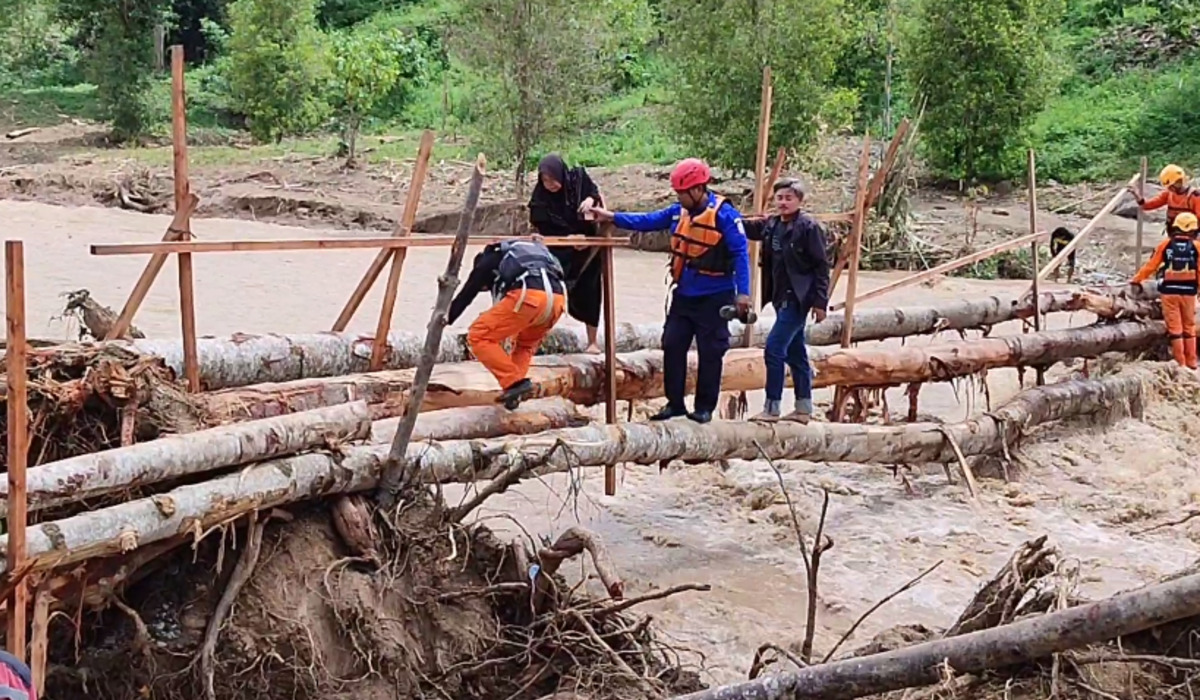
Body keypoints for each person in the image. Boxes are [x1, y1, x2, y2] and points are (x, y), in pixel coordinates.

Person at [590, 158, 751, 424]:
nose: (678, 197)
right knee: (673, 344)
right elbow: (647, 221)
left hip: (715, 297)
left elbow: (740, 254)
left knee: (711, 352)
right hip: (685, 296)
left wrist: (743, 294)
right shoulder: (679, 212)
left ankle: (704, 408)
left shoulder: (724, 216)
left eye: (681, 192)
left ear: (698, 190)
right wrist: (612, 217)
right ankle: (675, 403)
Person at [743, 178, 830, 423]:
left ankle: (772, 408)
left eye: (788, 198)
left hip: (798, 299)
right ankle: (804, 408)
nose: (783, 203)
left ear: (799, 201)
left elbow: (822, 267)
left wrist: (820, 302)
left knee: (773, 348)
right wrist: (722, 214)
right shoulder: (771, 225)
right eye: (779, 198)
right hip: (781, 297)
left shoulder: (809, 228)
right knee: (796, 353)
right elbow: (747, 228)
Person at [448, 237, 568, 408]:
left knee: (479, 335)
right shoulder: (526, 254)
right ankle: (514, 394)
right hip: (558, 300)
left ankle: (513, 382)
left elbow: (467, 294)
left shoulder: (486, 262)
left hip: (529, 296)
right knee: (525, 345)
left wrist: (446, 318)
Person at [528, 154, 606, 354]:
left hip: (587, 250)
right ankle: (536, 339)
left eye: (553, 178)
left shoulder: (578, 180)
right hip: (558, 250)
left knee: (590, 291)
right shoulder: (541, 198)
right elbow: (540, 226)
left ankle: (592, 342)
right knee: (546, 293)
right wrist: (568, 239)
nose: (550, 184)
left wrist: (590, 200)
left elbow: (596, 197)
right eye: (545, 180)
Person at [1131, 211, 1200, 370]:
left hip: (1169, 292)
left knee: (1175, 329)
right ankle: (1192, 363)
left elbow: (1151, 266)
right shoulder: (1197, 247)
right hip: (1189, 292)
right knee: (1188, 327)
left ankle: (1180, 363)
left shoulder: (1165, 245)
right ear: (1192, 230)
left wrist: (1136, 279)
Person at [1129, 164, 1200, 233]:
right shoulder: (1168, 194)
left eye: (1171, 186)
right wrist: (1136, 194)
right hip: (1173, 233)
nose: (1169, 188)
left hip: (1191, 235)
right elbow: (1147, 205)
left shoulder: (1194, 196)